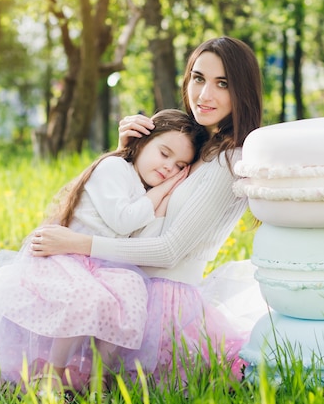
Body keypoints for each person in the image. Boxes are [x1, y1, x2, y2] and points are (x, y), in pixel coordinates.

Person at [29, 36, 268, 386]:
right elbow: (130, 215)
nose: (204, 95)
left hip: (163, 304)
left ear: (242, 91)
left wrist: (78, 243)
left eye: (223, 84)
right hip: (127, 288)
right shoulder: (198, 147)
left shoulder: (230, 160)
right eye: (199, 79)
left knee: (98, 389)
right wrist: (128, 153)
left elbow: (168, 250)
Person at [0, 109, 208, 395]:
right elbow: (124, 220)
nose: (169, 168)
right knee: (85, 298)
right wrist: (164, 189)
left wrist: (160, 194)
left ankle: (98, 375)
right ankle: (51, 373)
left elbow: (143, 230)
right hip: (67, 258)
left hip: (100, 265)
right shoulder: (114, 169)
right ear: (141, 143)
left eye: (179, 166)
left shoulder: (142, 185)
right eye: (164, 154)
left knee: (133, 293)